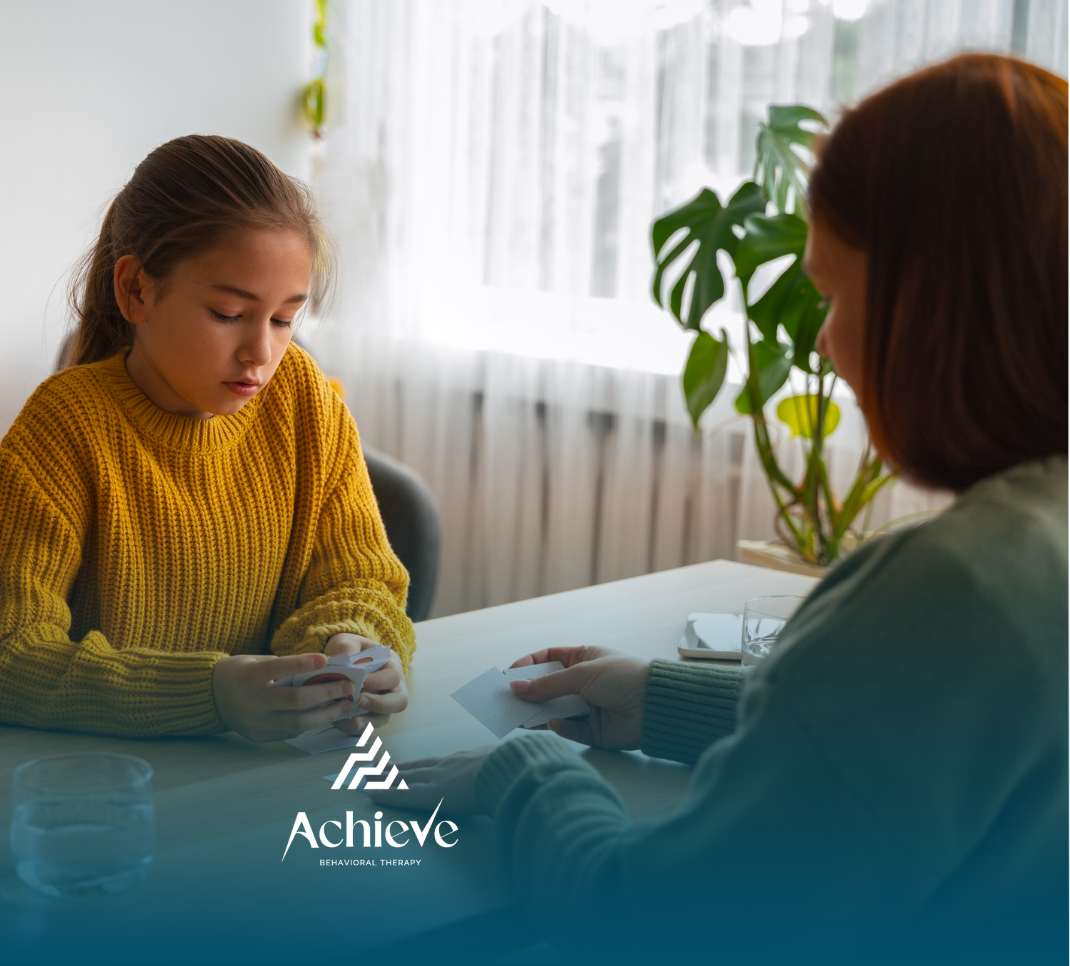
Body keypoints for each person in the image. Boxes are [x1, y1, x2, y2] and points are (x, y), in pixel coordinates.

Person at [377, 54, 1067, 962]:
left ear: (932, 303)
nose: (824, 343)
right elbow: (941, 739)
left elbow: (649, 924)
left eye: (831, 291)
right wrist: (668, 699)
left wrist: (525, 768)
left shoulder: (956, 587)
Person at [0, 135, 414, 742]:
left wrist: (349, 640)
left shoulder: (305, 399)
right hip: (103, 794)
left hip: (259, 784)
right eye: (227, 314)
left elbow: (363, 580)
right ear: (136, 290)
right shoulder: (62, 427)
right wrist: (208, 692)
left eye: (283, 319)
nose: (262, 353)